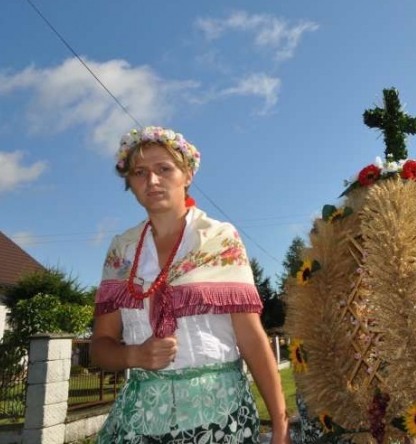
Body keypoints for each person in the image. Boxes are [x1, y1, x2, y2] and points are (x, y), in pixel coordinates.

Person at [91, 126, 289, 443]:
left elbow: (251, 337)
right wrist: (134, 356)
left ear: (187, 175)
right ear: (129, 181)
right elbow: (101, 345)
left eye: (164, 169)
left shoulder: (219, 238)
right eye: (139, 172)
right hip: (146, 422)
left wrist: (280, 424)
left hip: (220, 419)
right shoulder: (122, 250)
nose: (152, 181)